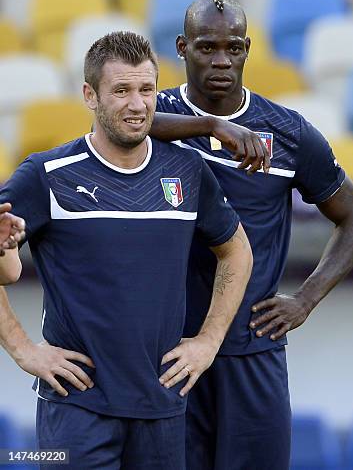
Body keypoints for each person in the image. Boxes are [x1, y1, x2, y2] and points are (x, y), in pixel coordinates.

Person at [0, 31, 253, 469]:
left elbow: (237, 252)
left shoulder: (187, 170)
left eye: (146, 89)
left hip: (164, 409)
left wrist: (209, 342)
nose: (137, 105)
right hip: (76, 410)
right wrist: (23, 348)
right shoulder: (47, 174)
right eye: (121, 91)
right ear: (89, 95)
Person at [152, 0, 353, 469]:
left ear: (248, 49)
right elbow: (117, 124)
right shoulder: (153, 115)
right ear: (182, 48)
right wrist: (211, 126)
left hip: (252, 351)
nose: (221, 61)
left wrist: (305, 299)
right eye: (207, 47)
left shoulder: (288, 132)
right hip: (170, 350)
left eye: (233, 47)